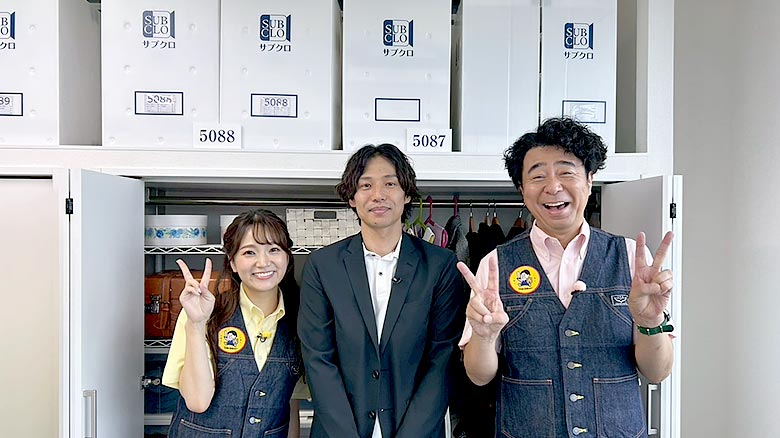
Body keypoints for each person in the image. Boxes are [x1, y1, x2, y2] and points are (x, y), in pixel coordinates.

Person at [457, 118, 675, 437]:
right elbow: (479, 376)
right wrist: (485, 336)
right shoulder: (495, 264)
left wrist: (648, 321)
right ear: (522, 189)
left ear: (589, 179)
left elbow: (657, 372)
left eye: (566, 172)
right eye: (537, 176)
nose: (553, 187)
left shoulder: (631, 258)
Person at [298, 143, 465, 438]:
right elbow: (318, 358)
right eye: (366, 185)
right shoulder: (323, 266)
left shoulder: (440, 266)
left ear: (407, 193)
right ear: (351, 197)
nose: (378, 194)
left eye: (390, 183)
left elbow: (442, 359)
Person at [162, 209, 304, 437]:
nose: (263, 262)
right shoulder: (201, 313)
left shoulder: (301, 319)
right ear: (233, 262)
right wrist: (197, 325)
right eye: (249, 252)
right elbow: (197, 402)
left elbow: (290, 404)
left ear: (287, 258)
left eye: (274, 250)